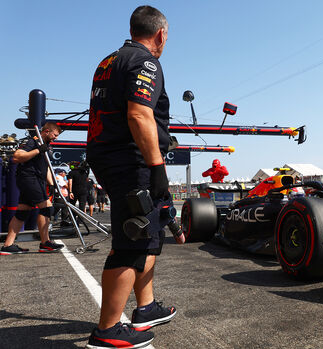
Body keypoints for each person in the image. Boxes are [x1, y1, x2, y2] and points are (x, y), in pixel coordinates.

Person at [85, 6, 182, 348]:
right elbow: (140, 115)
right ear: (160, 35)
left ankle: (145, 307)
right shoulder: (146, 62)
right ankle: (108, 330)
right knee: (133, 239)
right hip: (130, 160)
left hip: (110, 155)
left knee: (149, 230)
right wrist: (157, 169)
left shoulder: (108, 61)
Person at [0, 122, 64, 254]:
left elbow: (44, 166)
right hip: (29, 178)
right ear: (46, 131)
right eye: (55, 135)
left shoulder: (45, 146)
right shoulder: (33, 142)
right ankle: (45, 243)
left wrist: (51, 184)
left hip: (35, 180)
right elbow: (17, 157)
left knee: (22, 212)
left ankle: (8, 245)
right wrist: (38, 150)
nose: (56, 138)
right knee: (46, 208)